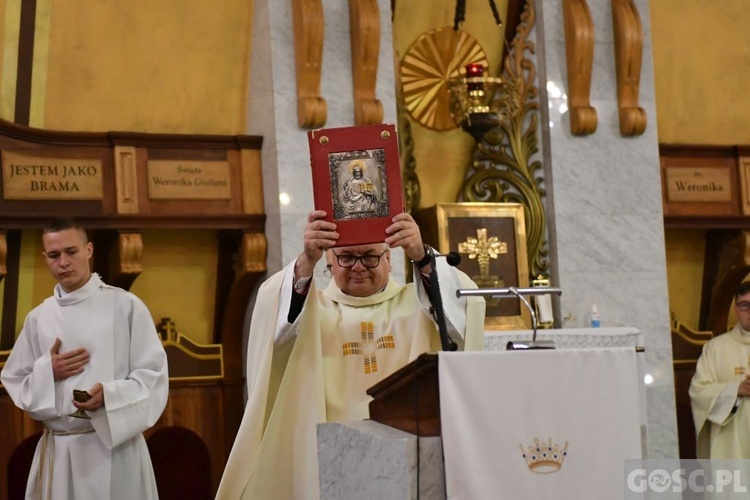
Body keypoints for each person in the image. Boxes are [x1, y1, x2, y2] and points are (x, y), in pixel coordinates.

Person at [216, 210, 485, 499]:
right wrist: (306, 260)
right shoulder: (311, 309)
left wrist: (422, 256)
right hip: (325, 458)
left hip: (410, 458)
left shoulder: (418, 306)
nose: (358, 267)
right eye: (346, 257)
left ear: (388, 257)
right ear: (329, 261)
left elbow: (466, 304)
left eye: (369, 256)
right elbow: (273, 324)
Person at [1, 217, 169, 499]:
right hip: (61, 449)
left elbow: (152, 377)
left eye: (71, 252)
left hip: (115, 449)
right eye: (54, 255)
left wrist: (109, 395)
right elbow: (15, 380)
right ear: (45, 258)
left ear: (89, 250)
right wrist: (47, 371)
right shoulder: (38, 319)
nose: (63, 262)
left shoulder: (125, 306)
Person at [690, 281, 750, 458]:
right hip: (730, 440)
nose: (749, 310)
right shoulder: (715, 348)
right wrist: (735, 390)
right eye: (744, 304)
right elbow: (698, 391)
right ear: (736, 309)